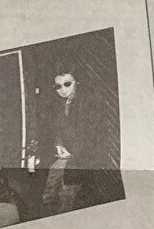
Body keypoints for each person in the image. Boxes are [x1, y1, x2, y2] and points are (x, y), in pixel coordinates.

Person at [36, 63, 122, 212]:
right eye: (58, 86)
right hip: (66, 154)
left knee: (67, 194)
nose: (62, 90)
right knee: (52, 184)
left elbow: (89, 134)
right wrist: (58, 144)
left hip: (83, 157)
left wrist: (71, 154)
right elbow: (56, 126)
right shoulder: (58, 101)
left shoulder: (89, 102)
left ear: (77, 82)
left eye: (67, 84)